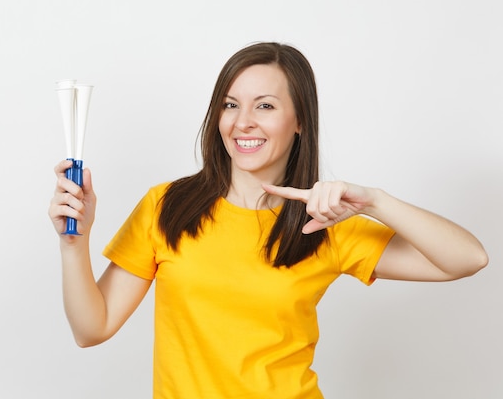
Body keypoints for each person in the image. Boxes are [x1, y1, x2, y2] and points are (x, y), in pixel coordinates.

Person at [48, 42, 488, 399]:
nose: (242, 123)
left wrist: (374, 201)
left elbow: (467, 258)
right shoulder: (168, 206)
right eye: (230, 105)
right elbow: (92, 328)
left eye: (265, 106)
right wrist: (75, 242)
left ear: (299, 121)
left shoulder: (324, 222)